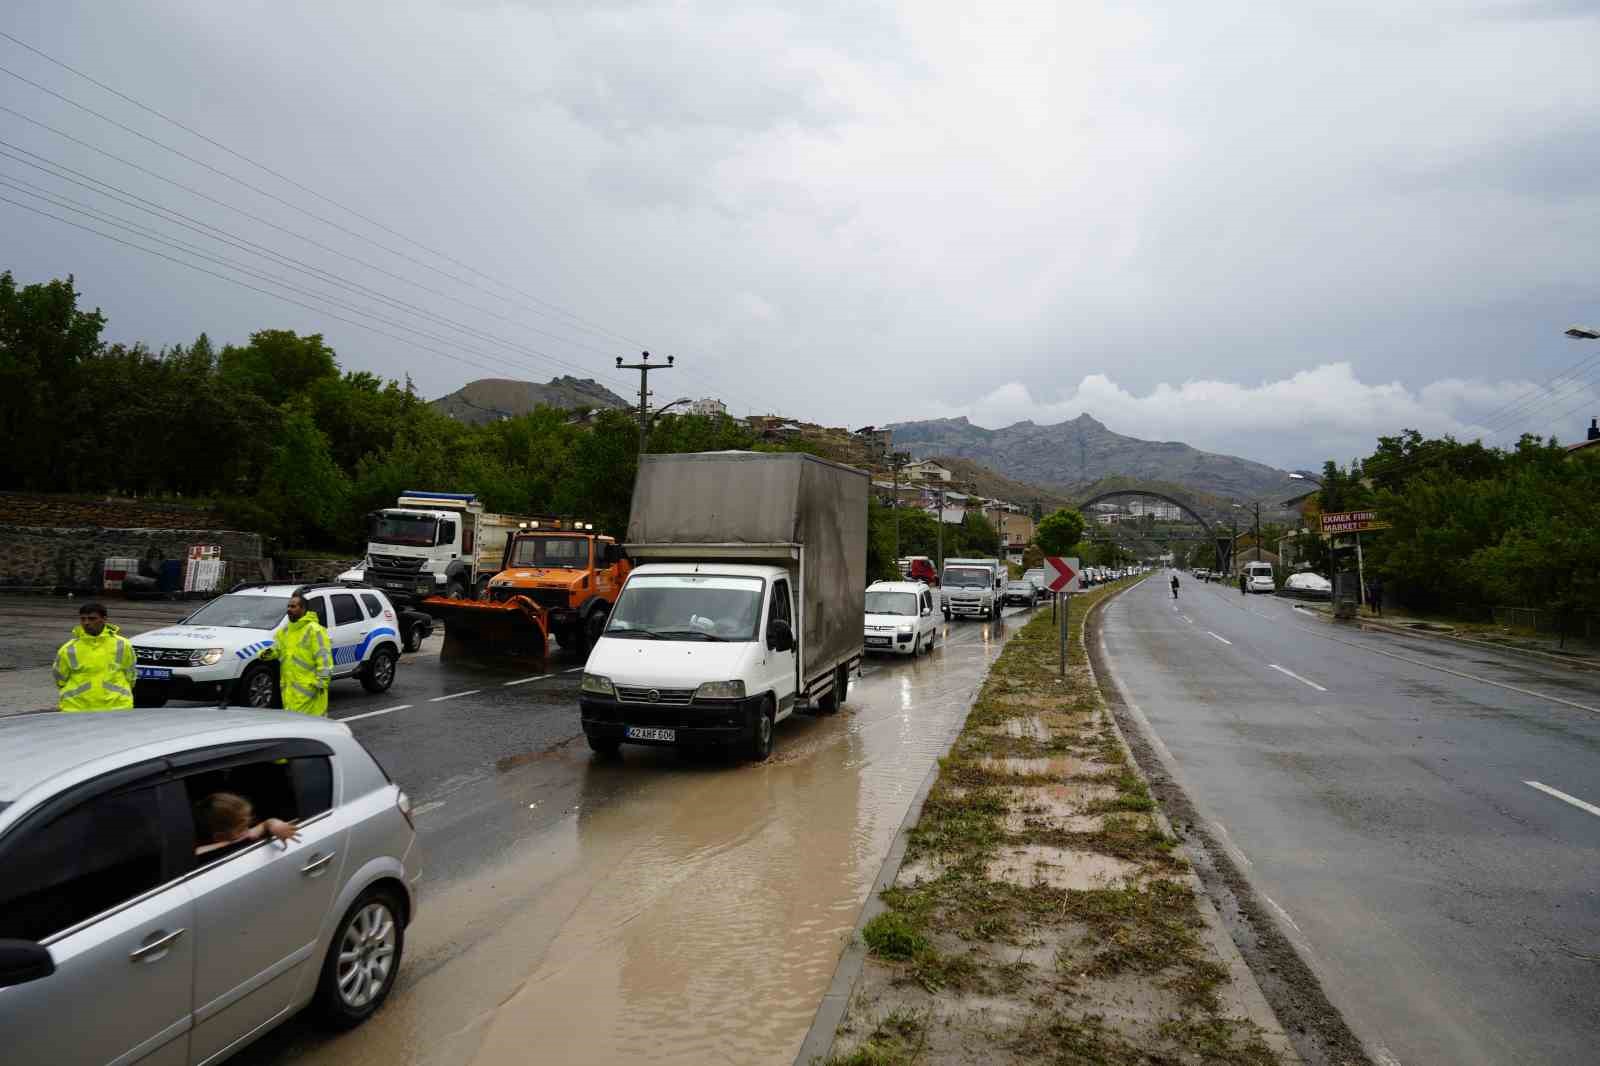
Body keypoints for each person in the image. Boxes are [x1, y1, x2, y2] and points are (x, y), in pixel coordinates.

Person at [256, 591, 334, 715]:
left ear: (303, 609)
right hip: (290, 690)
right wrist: (266, 653)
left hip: (309, 689)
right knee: (296, 726)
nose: (289, 609)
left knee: (308, 726)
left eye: (293, 606)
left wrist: (321, 682)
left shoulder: (315, 630)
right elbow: (278, 649)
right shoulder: (285, 632)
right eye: (288, 606)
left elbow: (324, 658)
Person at [54, 602, 136, 712]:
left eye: (92, 619)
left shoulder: (122, 645)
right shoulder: (68, 649)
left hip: (116, 707)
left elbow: (131, 675)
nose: (86, 623)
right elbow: (60, 679)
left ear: (104, 619)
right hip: (77, 708)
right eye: (83, 619)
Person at [193, 792, 301, 856]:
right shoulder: (203, 852)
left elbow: (265, 824)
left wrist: (275, 824)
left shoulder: (243, 835)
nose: (248, 830)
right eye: (241, 829)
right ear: (220, 836)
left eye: (247, 825)